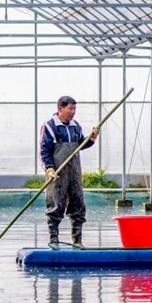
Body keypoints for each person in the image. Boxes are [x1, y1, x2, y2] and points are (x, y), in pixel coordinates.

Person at [39, 95, 99, 248]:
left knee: (78, 204)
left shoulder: (75, 126)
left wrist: (91, 138)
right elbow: (44, 150)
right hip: (57, 173)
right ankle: (54, 240)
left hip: (74, 172)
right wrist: (49, 169)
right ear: (60, 108)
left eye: (74, 109)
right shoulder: (50, 126)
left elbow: (80, 145)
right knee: (56, 205)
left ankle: (77, 241)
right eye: (70, 109)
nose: (73, 112)